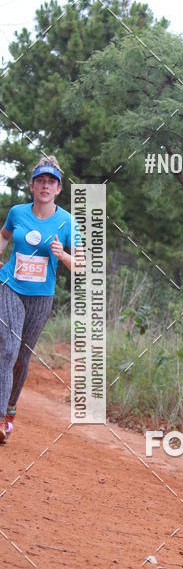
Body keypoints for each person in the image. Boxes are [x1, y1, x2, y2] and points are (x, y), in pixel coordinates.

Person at [0, 156, 82, 443]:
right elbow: (4, 236)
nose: (45, 186)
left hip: (41, 297)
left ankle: (10, 411)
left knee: (22, 357)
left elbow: (81, 264)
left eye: (51, 182)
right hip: (10, 286)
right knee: (7, 349)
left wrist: (63, 256)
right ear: (32, 186)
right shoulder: (17, 212)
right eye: (40, 181)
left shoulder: (67, 222)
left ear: (58, 189)